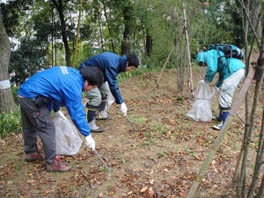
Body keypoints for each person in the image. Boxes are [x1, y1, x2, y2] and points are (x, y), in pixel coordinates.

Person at [18, 66, 104, 172]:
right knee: (47, 128)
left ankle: (31, 152)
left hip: (25, 92)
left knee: (30, 125)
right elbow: (77, 112)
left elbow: (54, 90)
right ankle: (52, 162)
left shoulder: (73, 73)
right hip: (33, 97)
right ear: (87, 82)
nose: (91, 90)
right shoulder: (73, 85)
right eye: (93, 87)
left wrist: (56, 109)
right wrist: (87, 134)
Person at [79, 52, 140, 133]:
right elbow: (113, 84)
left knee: (105, 91)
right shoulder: (113, 64)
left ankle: (100, 113)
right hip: (86, 75)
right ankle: (90, 122)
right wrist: (121, 103)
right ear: (127, 63)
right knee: (96, 97)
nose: (130, 70)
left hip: (98, 76)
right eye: (131, 68)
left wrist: (120, 102)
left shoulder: (118, 62)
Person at [196, 47, 245, 130]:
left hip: (234, 71)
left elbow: (212, 69)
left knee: (225, 96)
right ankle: (221, 117)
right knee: (223, 94)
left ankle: (225, 124)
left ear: (201, 58)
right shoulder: (216, 55)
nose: (204, 65)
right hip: (237, 70)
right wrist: (217, 86)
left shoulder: (208, 55)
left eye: (202, 63)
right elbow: (222, 74)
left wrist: (206, 81)